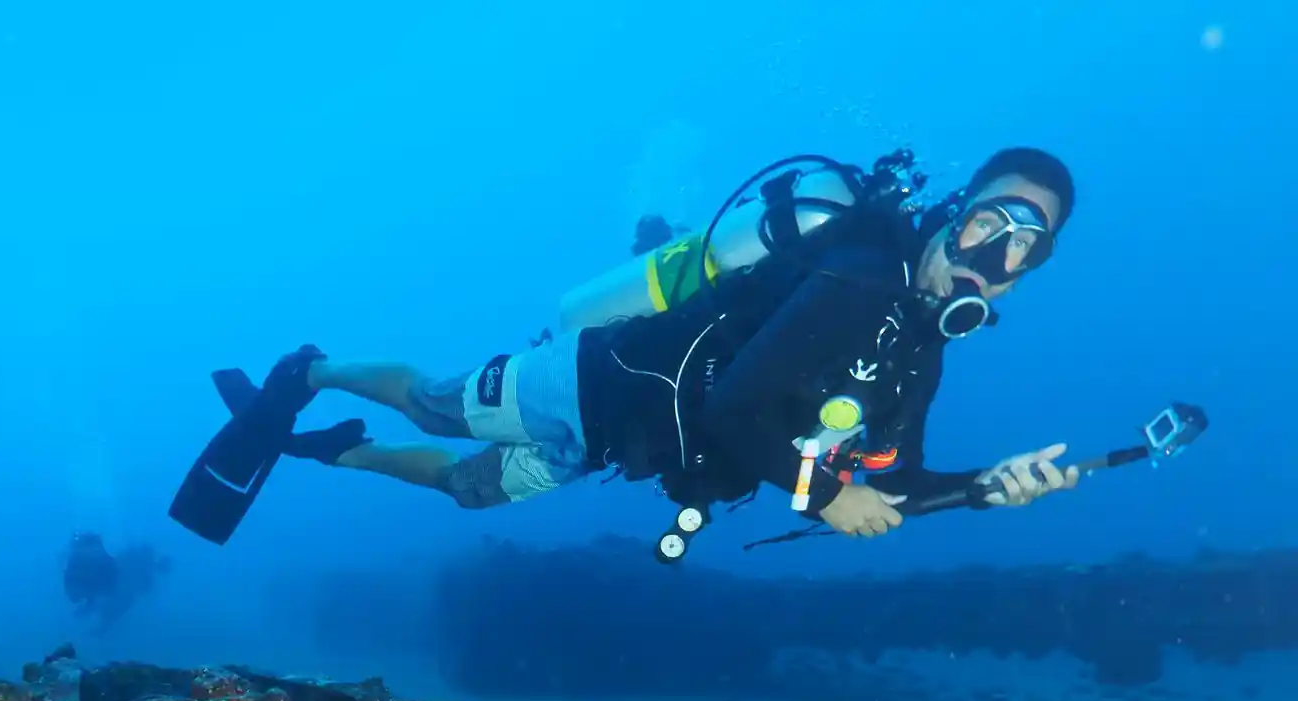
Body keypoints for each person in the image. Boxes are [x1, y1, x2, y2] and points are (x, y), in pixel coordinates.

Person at [249, 148, 1081, 538]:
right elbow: (738, 404)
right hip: (590, 381)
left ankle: (343, 453)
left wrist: (984, 487)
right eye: (988, 224)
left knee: (466, 490)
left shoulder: (918, 347)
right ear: (956, 209)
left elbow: (888, 484)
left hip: (624, 440)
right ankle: (314, 368)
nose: (993, 258)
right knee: (438, 410)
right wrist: (825, 498)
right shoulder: (862, 273)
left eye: (1024, 249)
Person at [62, 532, 171, 630]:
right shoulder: (142, 555)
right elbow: (119, 561)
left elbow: (139, 588)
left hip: (117, 585)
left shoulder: (146, 571)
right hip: (113, 579)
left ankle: (93, 616)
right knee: (103, 593)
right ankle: (91, 613)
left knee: (108, 597)